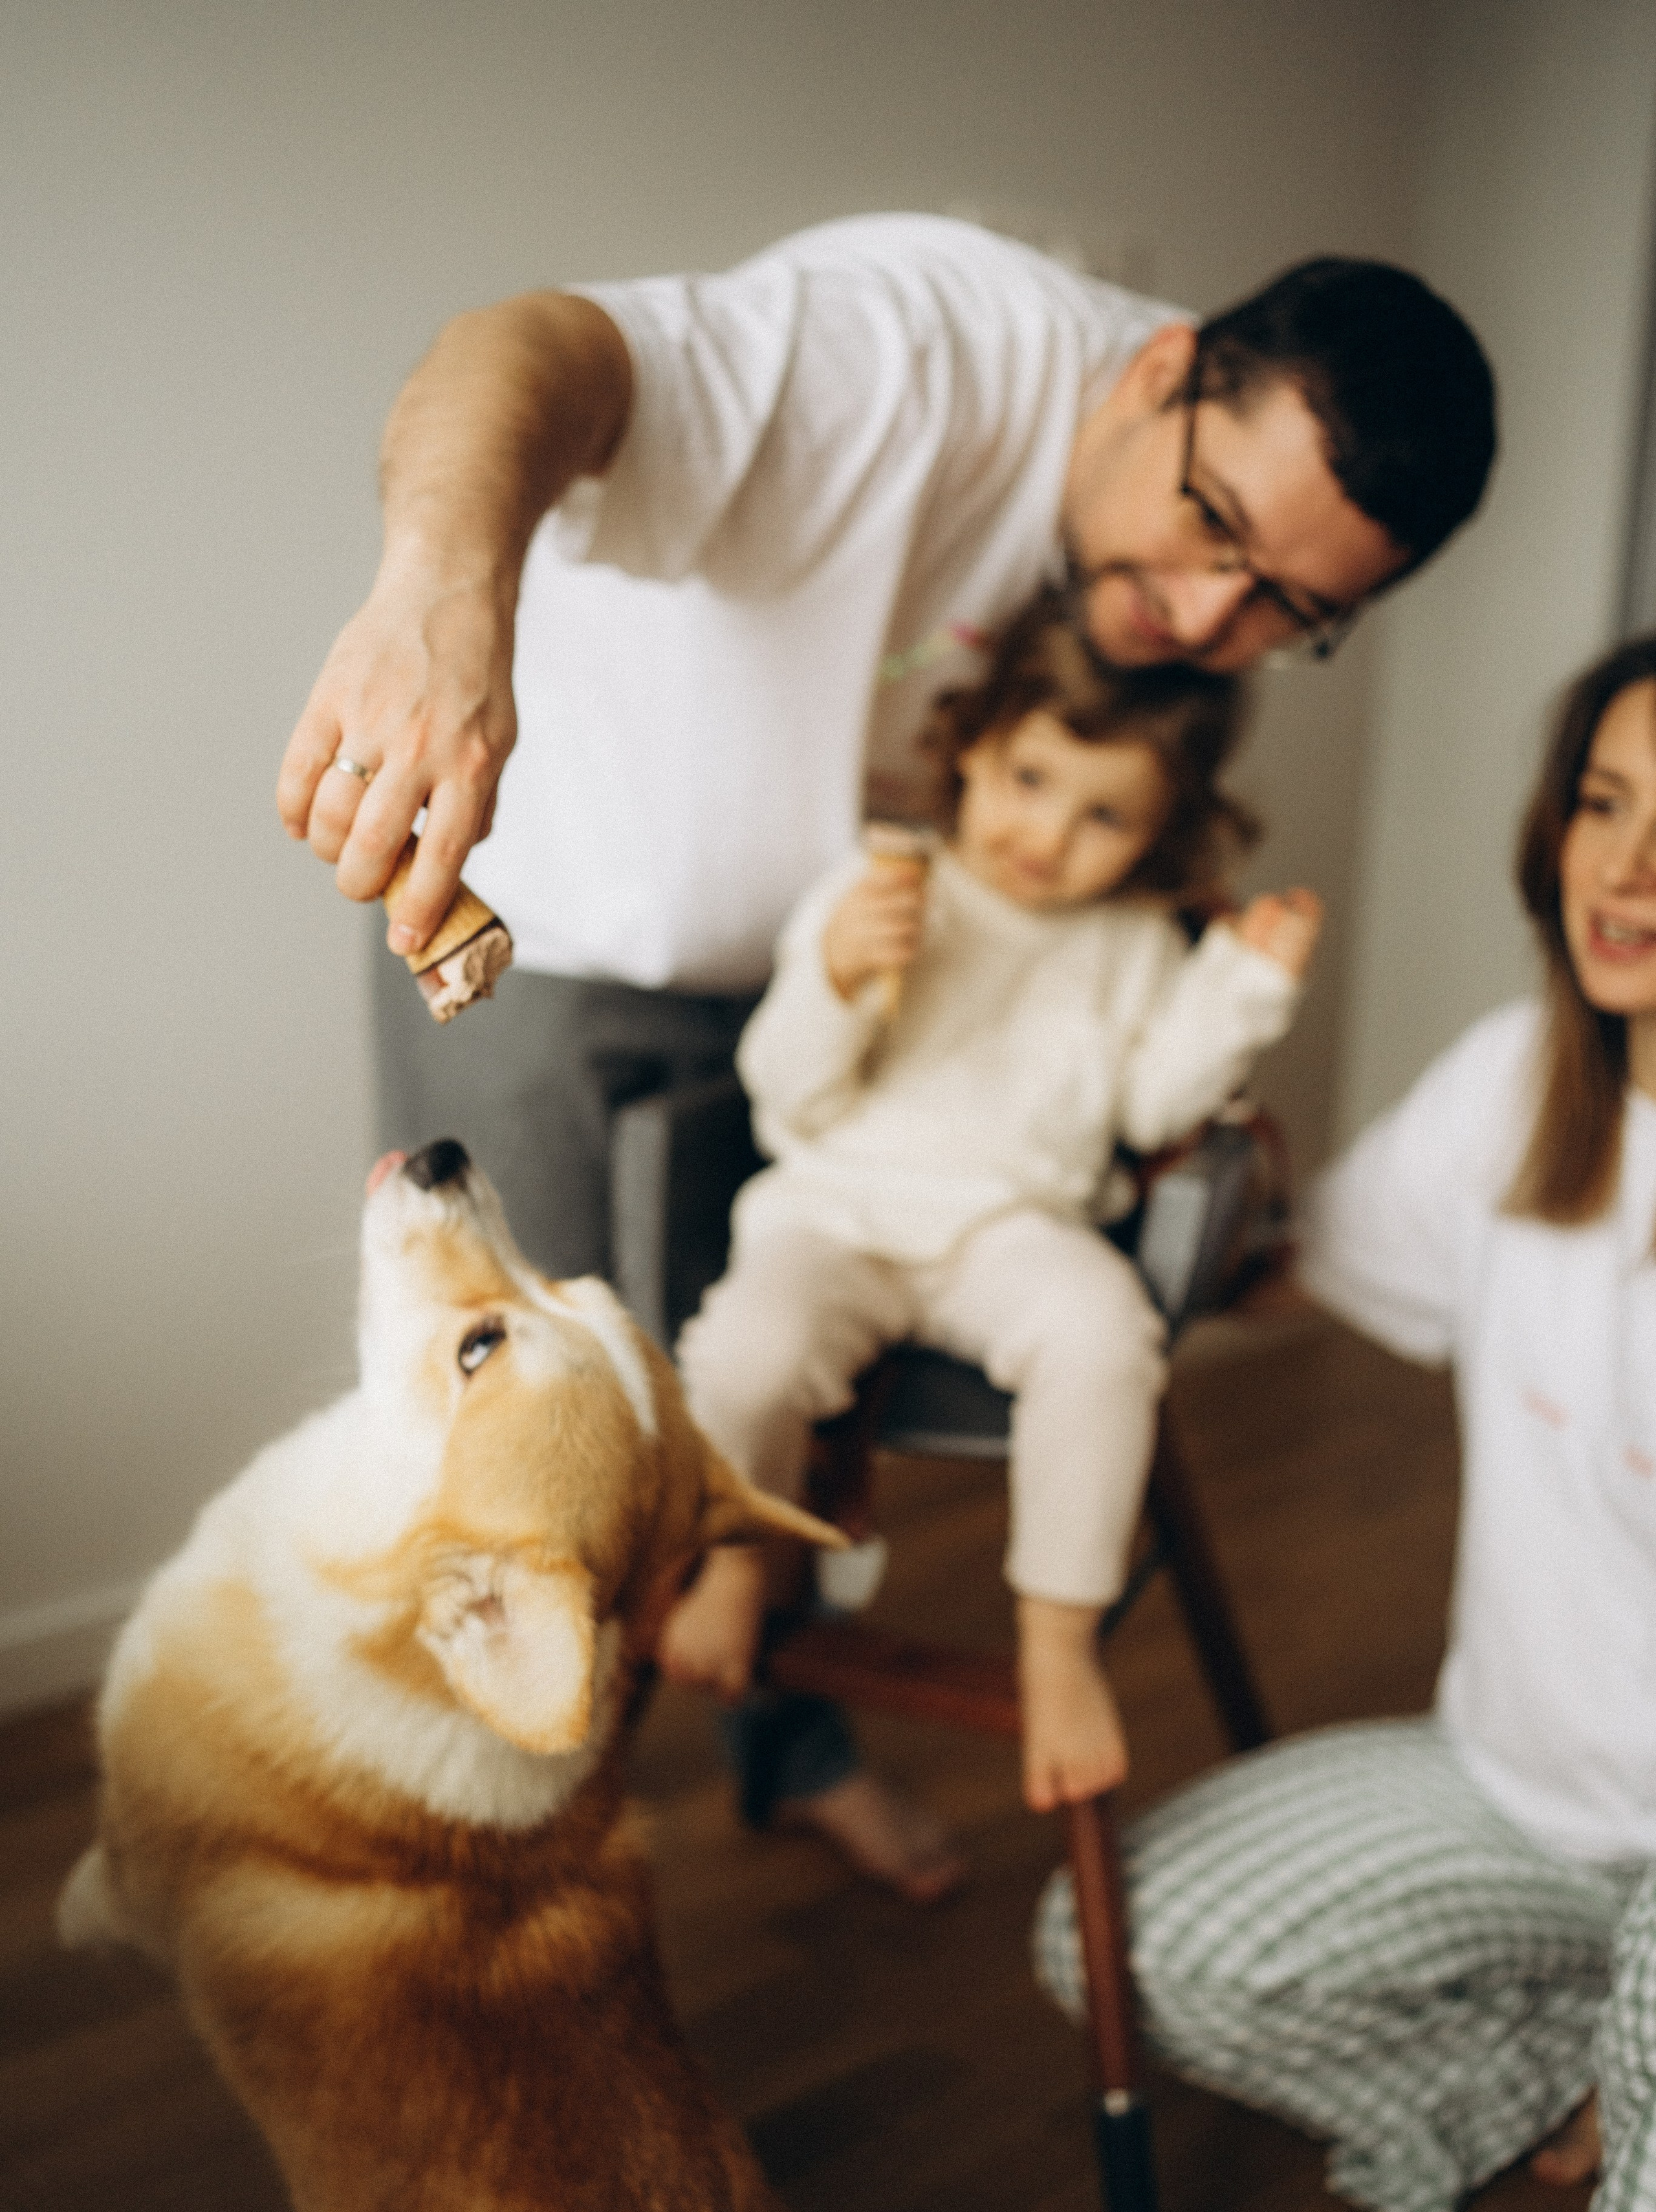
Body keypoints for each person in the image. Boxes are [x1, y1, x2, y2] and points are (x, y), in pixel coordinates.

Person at [276, 212, 1495, 1892]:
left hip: (838, 1018)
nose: (1209, 612)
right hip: (564, 949)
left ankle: (792, 1744)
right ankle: (483, 1880)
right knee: (529, 1464)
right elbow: (521, 349)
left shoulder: (1182, 588)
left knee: (773, 1438)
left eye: (1289, 607)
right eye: (1211, 525)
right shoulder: (918, 354)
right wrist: (437, 606)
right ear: (1158, 373)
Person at [1032, 633, 1656, 2212]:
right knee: (1118, 1948)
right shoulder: (1516, 1087)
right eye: (1605, 807)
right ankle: (1576, 2065)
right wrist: (1133, 1165)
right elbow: (1289, 1259)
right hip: (1524, 1802)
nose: (1625, 871)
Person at [662, 589, 1320, 1854]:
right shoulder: (883, 887)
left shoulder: (1134, 944)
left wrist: (1238, 990)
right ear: (969, 749)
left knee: (1100, 1335)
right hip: (833, 1211)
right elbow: (786, 1089)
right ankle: (741, 1562)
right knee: (746, 1354)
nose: (1046, 836)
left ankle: (1056, 1638)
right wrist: (838, 976)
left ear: (1158, 828)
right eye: (1027, 780)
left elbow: (1147, 1107)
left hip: (1010, 1228)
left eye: (1102, 816)